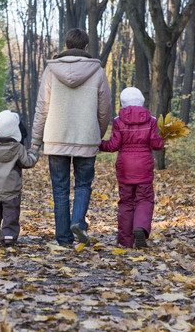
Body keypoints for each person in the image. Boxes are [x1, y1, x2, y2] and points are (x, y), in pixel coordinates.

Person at [31, 28, 112, 246]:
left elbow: (42, 109)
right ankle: (78, 221)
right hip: (86, 138)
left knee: (60, 189)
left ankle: (64, 238)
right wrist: (97, 133)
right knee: (83, 185)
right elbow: (105, 110)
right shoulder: (97, 72)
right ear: (86, 47)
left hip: (56, 139)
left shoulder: (50, 72)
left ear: (66, 46)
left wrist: (36, 142)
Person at [99, 87, 164, 248]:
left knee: (126, 202)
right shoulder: (152, 121)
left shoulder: (118, 121)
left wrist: (98, 144)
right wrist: (162, 139)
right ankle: (140, 227)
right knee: (144, 199)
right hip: (144, 166)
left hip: (125, 167)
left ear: (123, 102)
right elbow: (156, 145)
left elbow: (113, 145)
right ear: (142, 101)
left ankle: (125, 240)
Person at [0, 110, 38, 246]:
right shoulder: (17, 147)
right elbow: (27, 162)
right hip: (11, 188)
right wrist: (33, 152)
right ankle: (9, 235)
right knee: (11, 212)